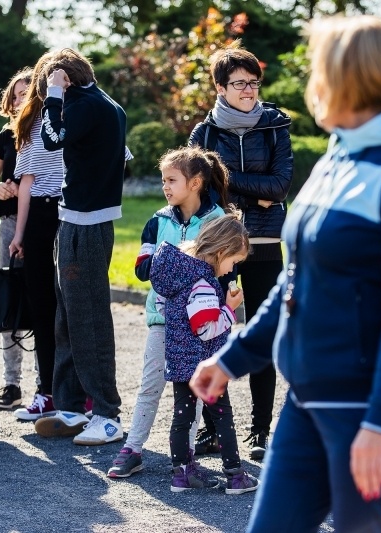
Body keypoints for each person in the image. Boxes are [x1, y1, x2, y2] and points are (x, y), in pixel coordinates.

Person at [190, 16, 381, 531]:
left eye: (319, 69)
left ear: (346, 78)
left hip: (372, 402)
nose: (312, 82)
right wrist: (231, 360)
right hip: (310, 394)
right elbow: (298, 280)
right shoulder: (342, 152)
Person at [189, 42, 293, 461]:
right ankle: (215, 431)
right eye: (239, 84)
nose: (249, 91)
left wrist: (231, 182)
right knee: (215, 334)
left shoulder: (275, 125)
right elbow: (203, 191)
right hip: (220, 246)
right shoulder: (204, 133)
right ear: (220, 86)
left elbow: (281, 186)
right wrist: (255, 189)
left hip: (266, 242)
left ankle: (259, 431)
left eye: (253, 83)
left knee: (263, 337)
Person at [107, 146, 229, 478]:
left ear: (196, 182)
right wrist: (190, 265)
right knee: (150, 385)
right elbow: (143, 269)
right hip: (162, 320)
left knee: (194, 391)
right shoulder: (156, 222)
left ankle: (185, 459)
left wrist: (175, 265)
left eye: (172, 180)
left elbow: (223, 272)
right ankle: (133, 448)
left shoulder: (219, 221)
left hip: (200, 324)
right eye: (163, 180)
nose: (166, 186)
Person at [32, 49, 127, 446]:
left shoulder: (88, 105)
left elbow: (52, 139)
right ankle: (71, 404)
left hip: (87, 224)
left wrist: (54, 93)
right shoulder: (103, 104)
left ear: (64, 79)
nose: (47, 100)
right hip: (76, 219)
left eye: (49, 88)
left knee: (87, 318)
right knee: (68, 317)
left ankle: (106, 413)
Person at [150, 214, 258, 494]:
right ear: (221, 251)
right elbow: (205, 329)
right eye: (233, 262)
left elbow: (164, 309)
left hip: (179, 360)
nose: (230, 269)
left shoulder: (177, 274)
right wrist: (229, 309)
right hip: (204, 363)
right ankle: (235, 475)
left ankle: (181, 473)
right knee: (222, 415)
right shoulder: (203, 283)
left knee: (181, 417)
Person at [8, 56, 66, 421]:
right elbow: (26, 183)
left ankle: (79, 392)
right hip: (41, 218)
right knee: (43, 309)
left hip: (76, 213)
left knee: (74, 308)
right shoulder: (29, 124)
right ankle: (46, 391)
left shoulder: (84, 116)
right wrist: (19, 234)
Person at [0, 68, 34, 412]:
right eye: (16, 94)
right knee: (9, 299)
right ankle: (11, 384)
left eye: (28, 93)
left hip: (44, 223)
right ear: (10, 101)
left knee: (42, 300)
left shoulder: (49, 135)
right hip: (9, 221)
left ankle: (48, 383)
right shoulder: (6, 136)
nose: (21, 99)